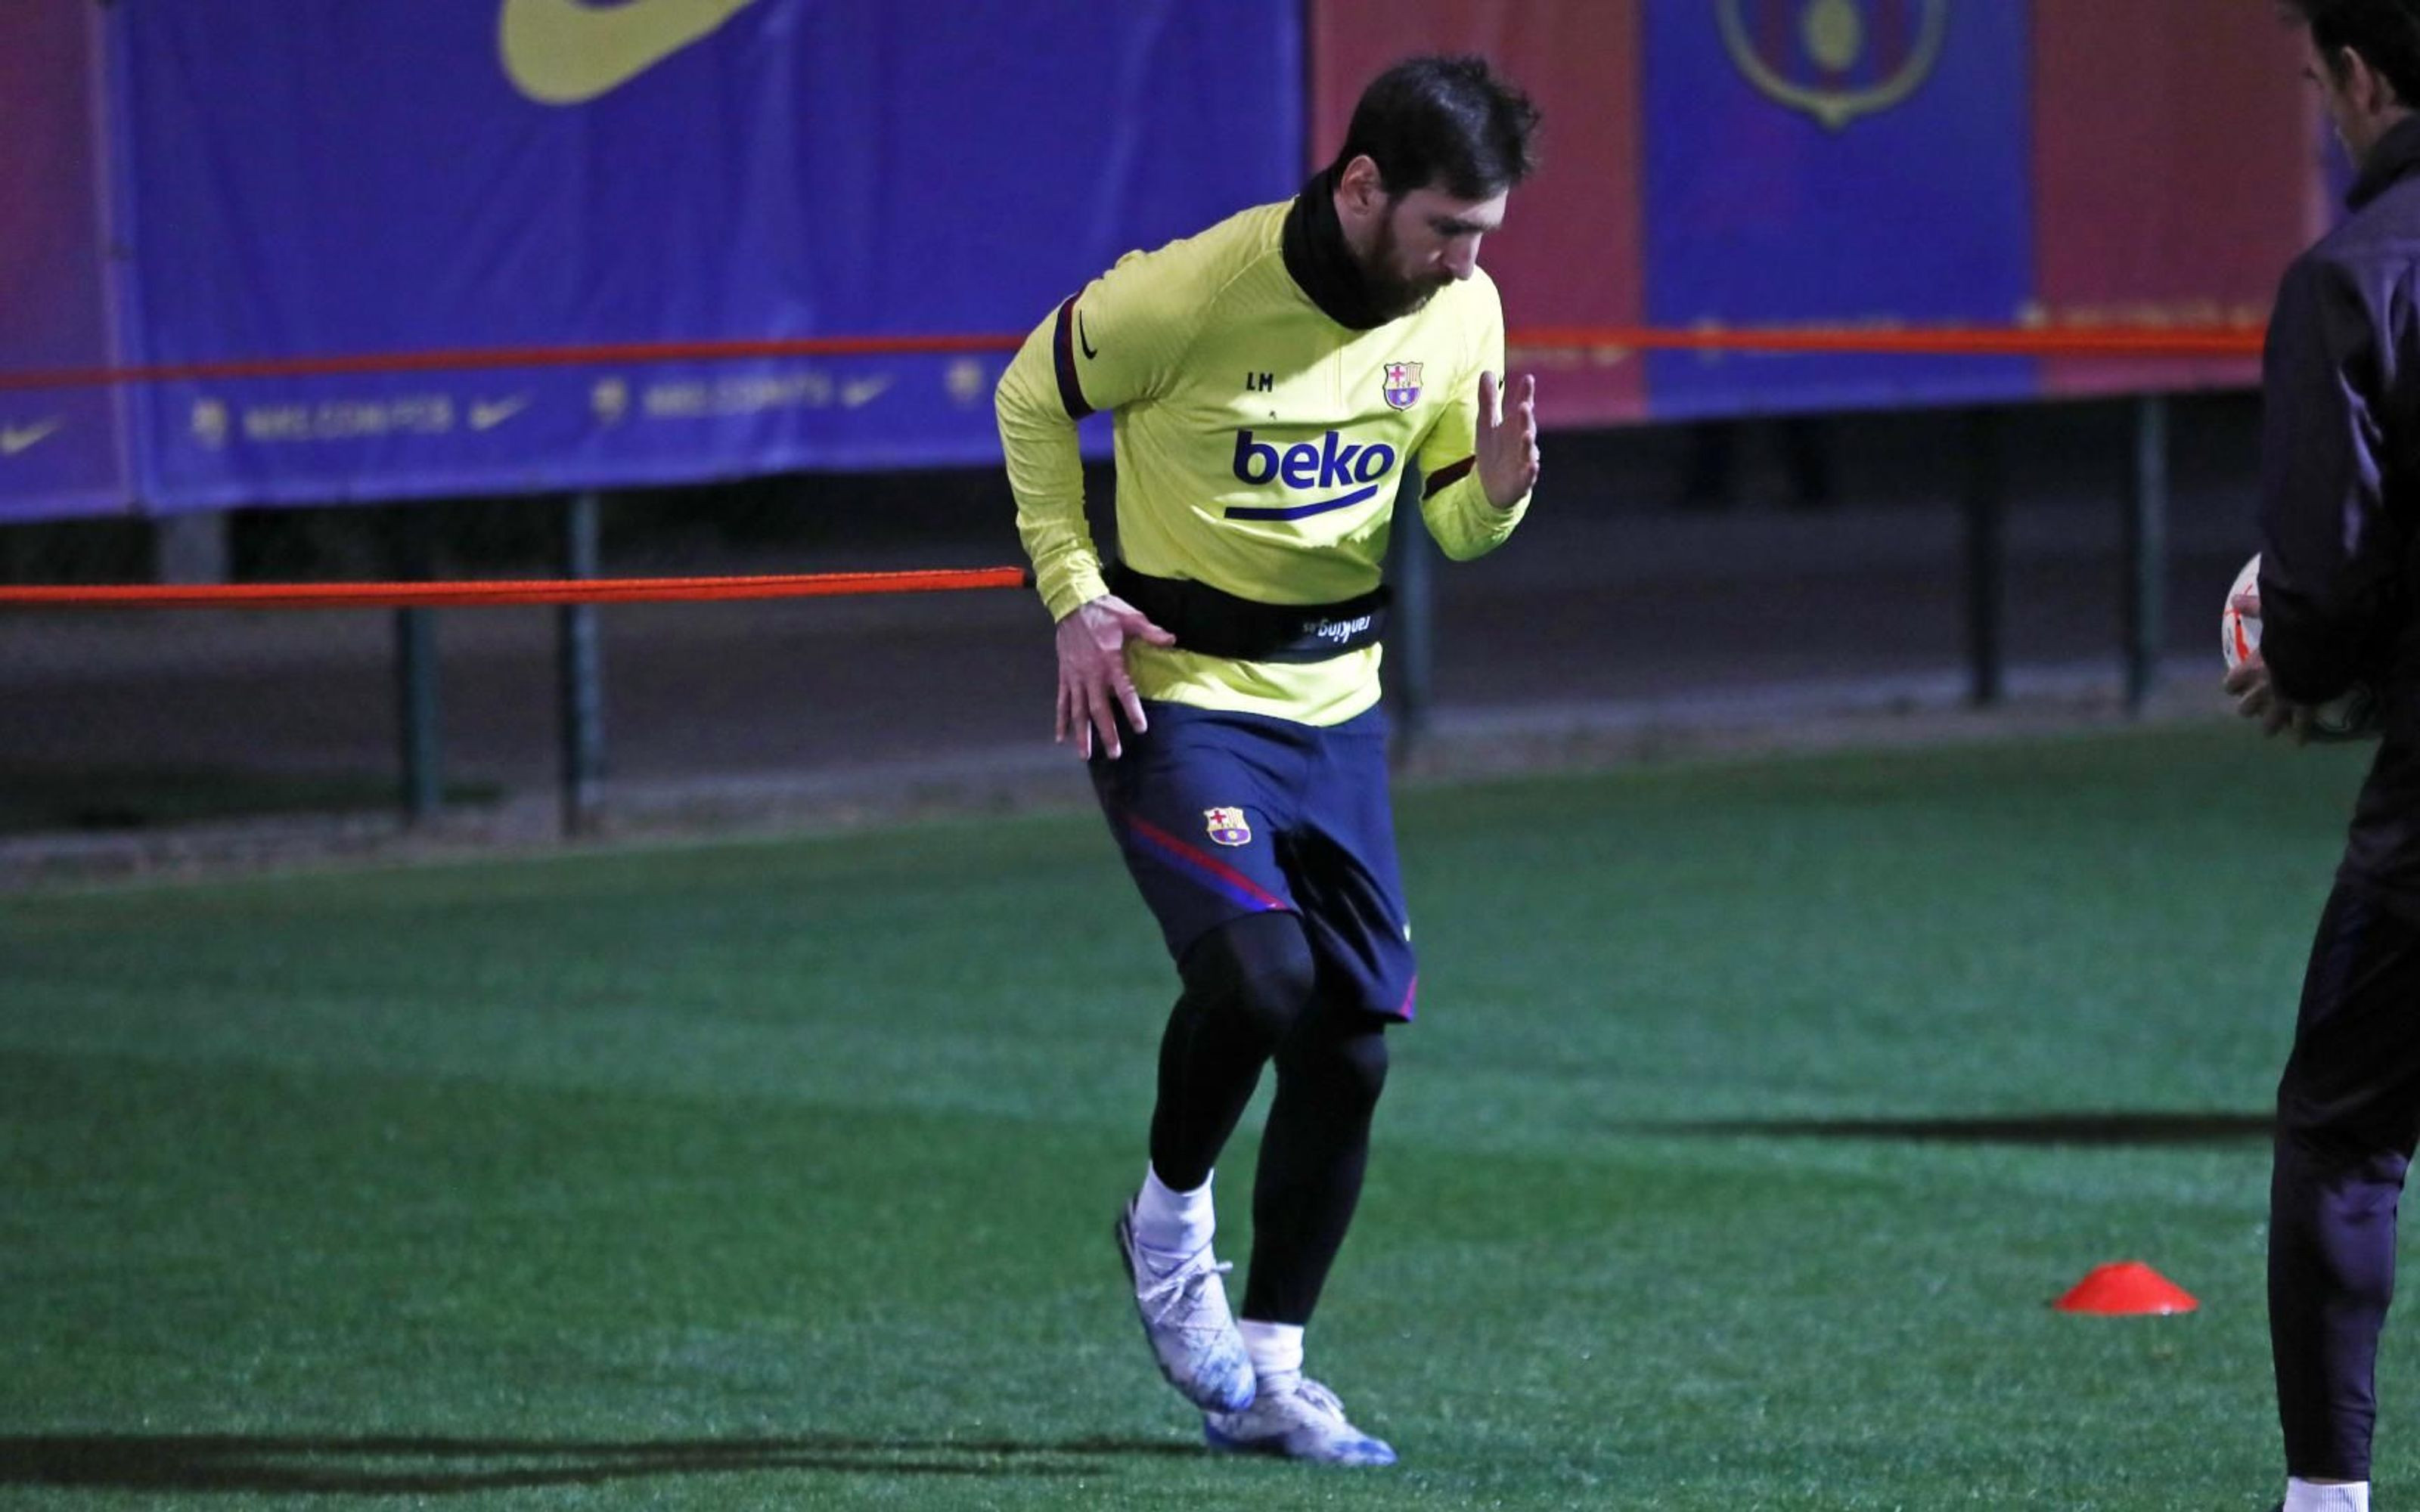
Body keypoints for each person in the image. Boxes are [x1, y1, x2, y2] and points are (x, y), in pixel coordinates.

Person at [993, 55, 1541, 1466]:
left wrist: (1497, 493)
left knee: (1350, 1046)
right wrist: (1071, 592)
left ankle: (1279, 1376)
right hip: (1179, 693)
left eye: (1484, 234)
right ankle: (1170, 1233)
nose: (1468, 263)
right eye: (1445, 228)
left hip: (1335, 712)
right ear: (1362, 186)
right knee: (1262, 973)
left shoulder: (1460, 307)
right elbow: (1027, 395)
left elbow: (1453, 530)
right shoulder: (1194, 291)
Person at [2227, 5, 2420, 1510]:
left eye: (2317, 83)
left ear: (2361, 77)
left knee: (2345, 1126)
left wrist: (2291, 656)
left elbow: (2328, 583)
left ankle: (2327, 1499)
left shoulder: (2353, 275)